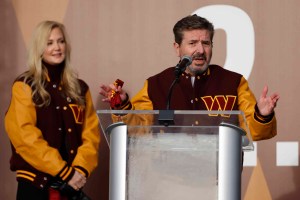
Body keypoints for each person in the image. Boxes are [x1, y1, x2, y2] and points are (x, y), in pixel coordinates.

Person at [99, 14, 279, 141]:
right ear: (177, 48)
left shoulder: (233, 82)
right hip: (167, 179)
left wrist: (262, 115)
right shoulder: (157, 84)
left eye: (206, 43)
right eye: (192, 43)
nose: (200, 50)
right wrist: (122, 106)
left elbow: (256, 132)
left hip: (219, 180)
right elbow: (138, 130)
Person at [4, 20, 100, 200]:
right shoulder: (24, 86)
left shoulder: (80, 89)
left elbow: (91, 137)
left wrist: (78, 171)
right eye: (49, 43)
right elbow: (25, 137)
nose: (57, 47)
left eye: (61, 41)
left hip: (70, 187)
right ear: (38, 48)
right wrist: (64, 171)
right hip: (35, 185)